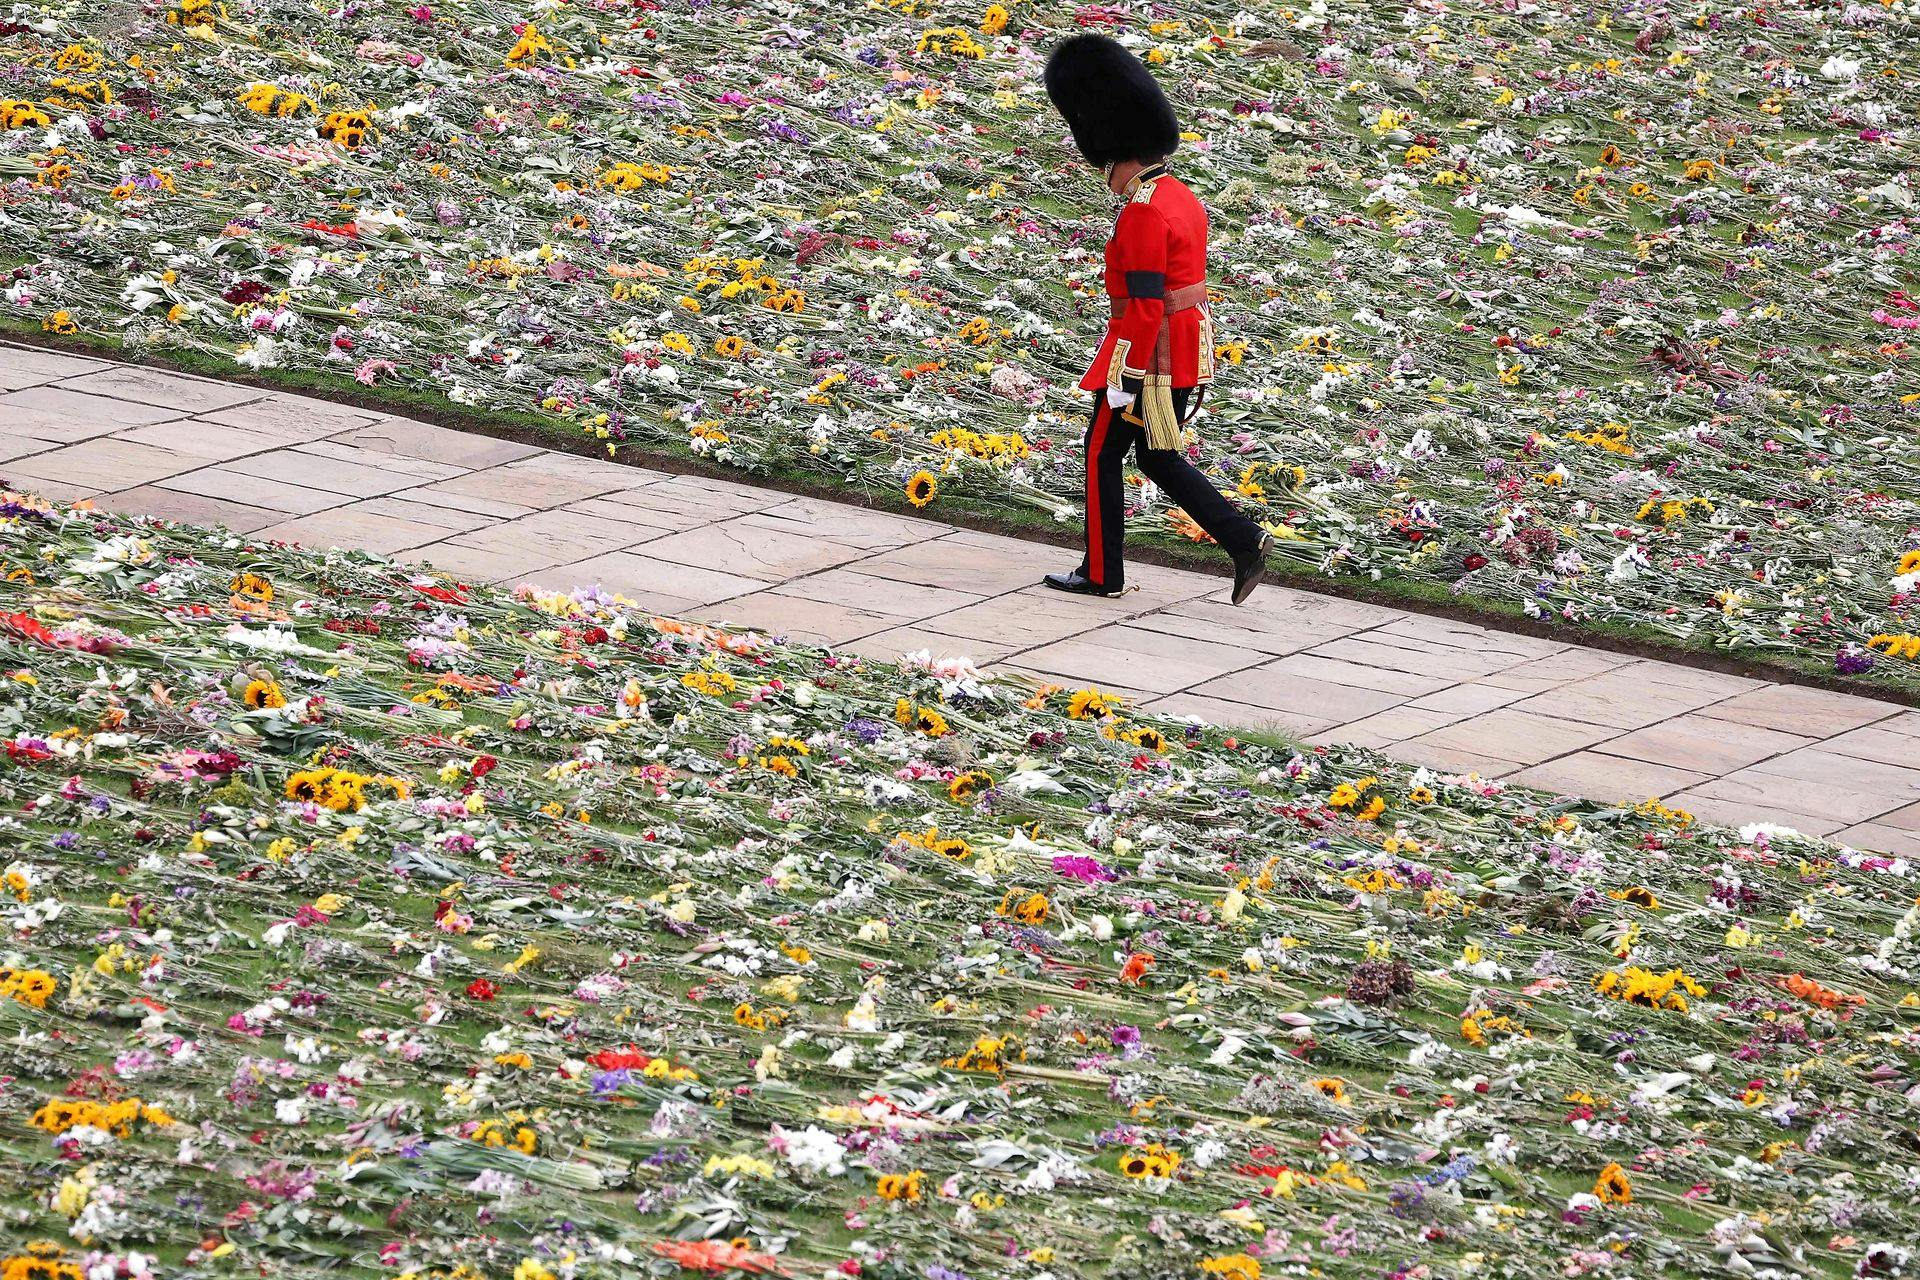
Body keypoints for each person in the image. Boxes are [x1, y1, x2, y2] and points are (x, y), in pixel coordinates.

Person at [1040, 33, 1273, 603]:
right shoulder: (1183, 197)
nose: (1107, 177)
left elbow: (1143, 305)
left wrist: (1124, 380)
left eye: (1108, 165)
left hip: (1146, 356)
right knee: (1156, 454)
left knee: (1102, 452)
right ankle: (1244, 540)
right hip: (1183, 348)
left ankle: (1102, 572)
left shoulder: (1143, 213)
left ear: (1121, 156)